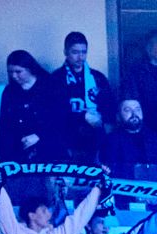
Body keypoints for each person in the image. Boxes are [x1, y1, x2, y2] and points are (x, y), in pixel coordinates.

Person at [46, 31, 115, 164]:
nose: (80, 57)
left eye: (84, 52)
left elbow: (109, 107)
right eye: (75, 52)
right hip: (67, 141)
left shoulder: (98, 78)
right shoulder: (55, 79)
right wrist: (83, 116)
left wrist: (103, 124)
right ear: (66, 52)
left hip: (97, 140)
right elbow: (53, 113)